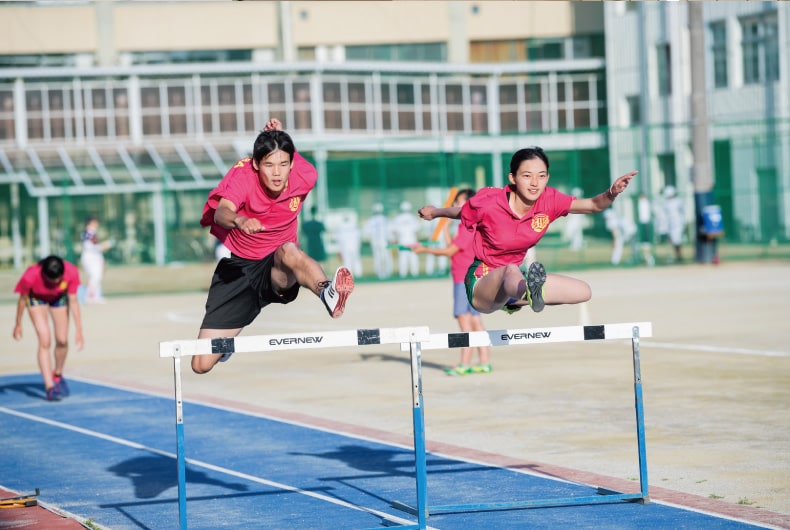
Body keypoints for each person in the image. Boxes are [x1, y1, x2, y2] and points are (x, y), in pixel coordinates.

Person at [193, 118, 354, 374]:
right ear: (257, 164)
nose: (277, 173)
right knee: (200, 364)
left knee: (288, 250)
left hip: (277, 270)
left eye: (283, 164)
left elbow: (287, 155)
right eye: (269, 165)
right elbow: (221, 211)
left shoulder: (305, 175)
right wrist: (239, 219)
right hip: (241, 271)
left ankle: (328, 292)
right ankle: (225, 348)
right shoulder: (243, 175)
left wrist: (280, 137)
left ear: (292, 163)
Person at [418, 146, 636, 315]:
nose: (535, 183)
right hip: (482, 282)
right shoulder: (489, 201)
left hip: (515, 282)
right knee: (509, 269)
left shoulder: (550, 200)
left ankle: (521, 296)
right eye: (527, 176)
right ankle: (526, 291)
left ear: (547, 178)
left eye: (541, 176)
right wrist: (436, 212)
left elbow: (593, 205)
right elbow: (461, 211)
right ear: (512, 178)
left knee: (583, 292)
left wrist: (612, 192)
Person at [414, 189, 492, 375]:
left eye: (459, 202)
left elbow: (450, 252)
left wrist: (424, 249)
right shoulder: (465, 226)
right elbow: (452, 247)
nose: (455, 206)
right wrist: (447, 229)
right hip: (470, 277)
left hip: (464, 279)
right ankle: (484, 362)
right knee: (474, 320)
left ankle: (465, 364)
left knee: (465, 322)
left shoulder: (467, 227)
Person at [12, 255, 84, 401]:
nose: (56, 283)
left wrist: (79, 330)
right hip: (36, 299)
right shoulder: (30, 275)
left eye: (59, 280)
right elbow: (22, 300)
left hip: (58, 299)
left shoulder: (71, 272)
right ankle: (49, 387)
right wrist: (18, 323)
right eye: (52, 281)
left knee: (62, 340)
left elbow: (74, 301)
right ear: (43, 274)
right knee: (45, 340)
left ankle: (57, 375)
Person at [80, 216, 113, 303]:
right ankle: (90, 296)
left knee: (96, 277)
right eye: (95, 222)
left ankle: (95, 296)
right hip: (91, 257)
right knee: (95, 276)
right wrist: (105, 246)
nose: (97, 224)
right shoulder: (90, 233)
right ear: (90, 223)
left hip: (93, 257)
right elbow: (91, 247)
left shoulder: (91, 233)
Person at [362, 203, 393, 279]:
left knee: (377, 258)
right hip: (384, 241)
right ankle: (387, 273)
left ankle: (380, 274)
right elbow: (390, 231)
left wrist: (371, 239)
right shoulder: (385, 219)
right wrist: (391, 239)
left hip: (375, 242)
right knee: (386, 257)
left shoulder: (370, 220)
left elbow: (366, 233)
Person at [391, 201, 421, 278]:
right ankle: (415, 274)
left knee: (403, 258)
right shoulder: (413, 217)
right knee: (413, 258)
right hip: (412, 240)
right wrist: (417, 241)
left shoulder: (398, 218)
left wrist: (395, 240)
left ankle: (403, 274)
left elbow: (394, 231)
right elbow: (416, 231)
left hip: (402, 241)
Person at [334, 211, 363, 277]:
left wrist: (339, 249)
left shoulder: (340, 227)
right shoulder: (354, 225)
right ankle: (359, 276)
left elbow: (337, 239)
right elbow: (358, 236)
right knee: (356, 261)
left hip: (345, 247)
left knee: (347, 262)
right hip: (354, 246)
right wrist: (359, 245)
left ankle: (348, 277)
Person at [662, 185, 685, 263]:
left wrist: (682, 222)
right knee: (673, 240)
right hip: (670, 224)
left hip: (677, 223)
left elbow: (682, 212)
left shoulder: (678, 201)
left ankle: (679, 256)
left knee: (677, 240)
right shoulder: (666, 203)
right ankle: (677, 256)